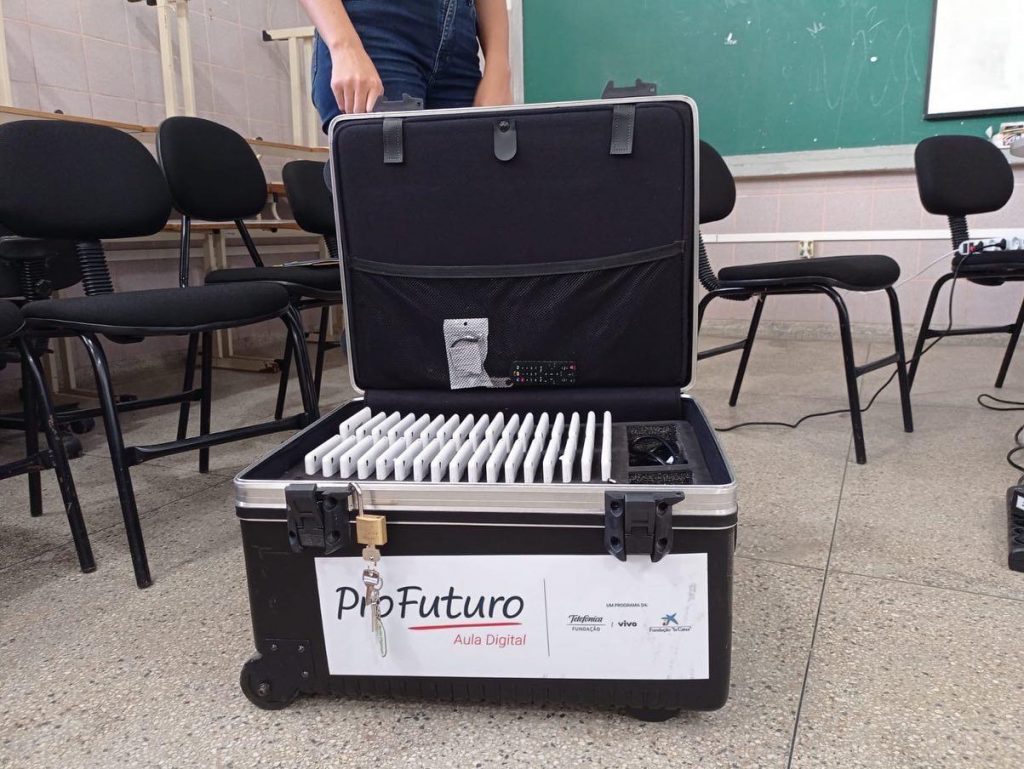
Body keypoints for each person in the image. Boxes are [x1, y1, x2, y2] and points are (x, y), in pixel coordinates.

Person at [299, 0, 512, 129]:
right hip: (375, 29)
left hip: (461, 38)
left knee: (475, 181)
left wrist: (499, 64)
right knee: (386, 182)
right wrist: (345, 46)